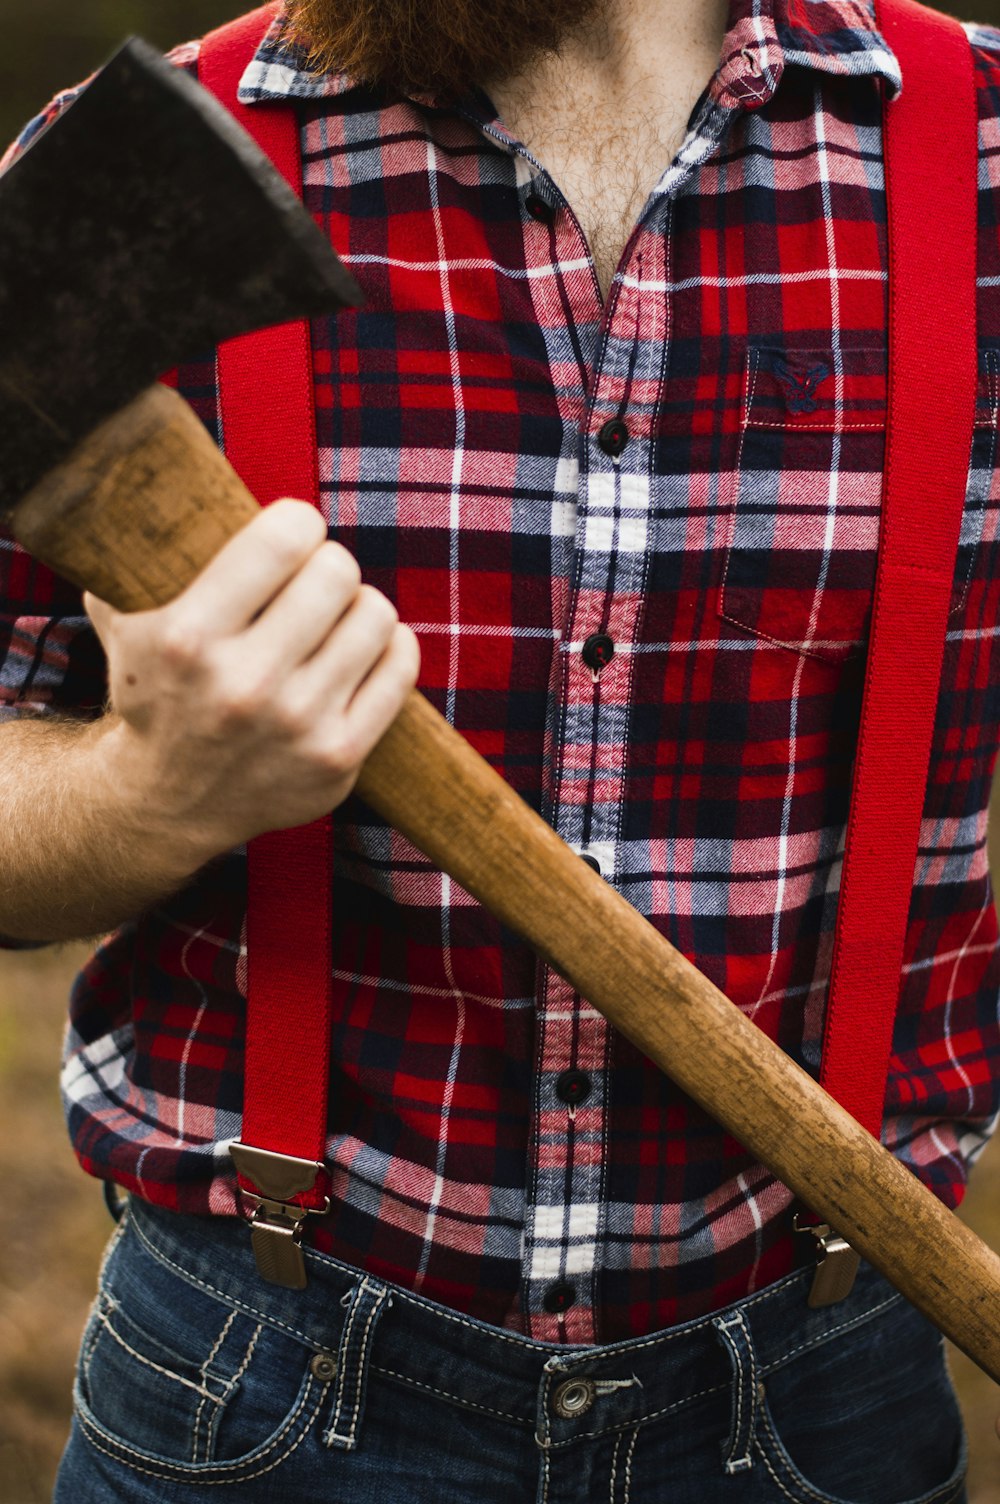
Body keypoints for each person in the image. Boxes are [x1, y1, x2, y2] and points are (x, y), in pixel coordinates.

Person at [1, 0, 999, 1497]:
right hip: (253, 1385)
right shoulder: (132, 147)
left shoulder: (971, 152)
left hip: (821, 1394)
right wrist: (153, 791)